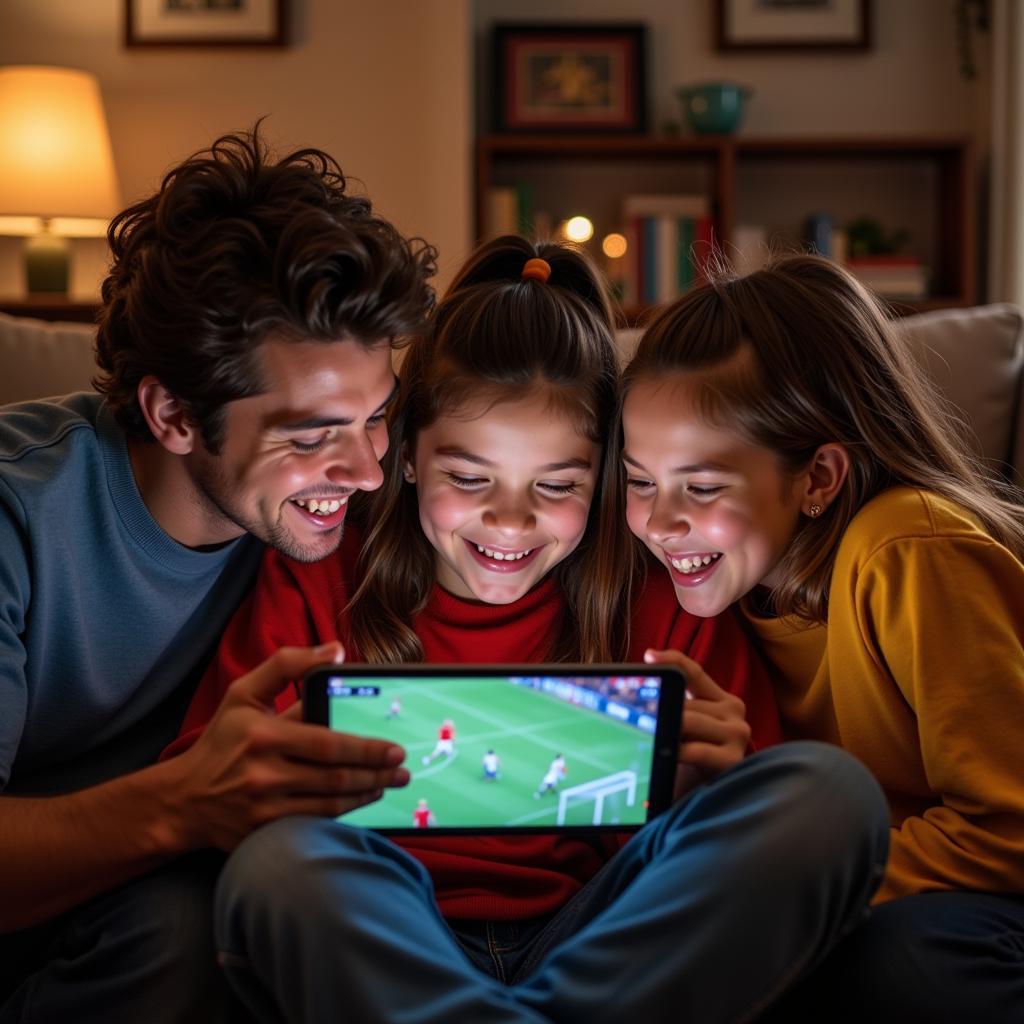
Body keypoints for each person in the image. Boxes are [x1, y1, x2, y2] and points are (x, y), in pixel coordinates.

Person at [169, 236, 889, 1023]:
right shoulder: (319, 571)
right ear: (406, 456)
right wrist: (282, 780)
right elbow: (203, 784)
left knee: (830, 794)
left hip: (598, 933)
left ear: (604, 478)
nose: (510, 519)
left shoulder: (666, 595)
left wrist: (693, 791)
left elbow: (740, 824)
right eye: (469, 477)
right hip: (389, 934)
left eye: (556, 485)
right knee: (278, 867)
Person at [0, 125, 434, 1022]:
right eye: (312, 435)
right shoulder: (19, 517)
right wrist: (185, 806)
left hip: (139, 912)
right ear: (173, 414)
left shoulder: (332, 513)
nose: (364, 471)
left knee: (191, 923)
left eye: (379, 417)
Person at [611, 253, 1024, 1023]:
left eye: (701, 487)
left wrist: (791, 879)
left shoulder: (907, 550)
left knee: (903, 961)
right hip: (867, 886)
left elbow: (1012, 826)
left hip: (976, 906)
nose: (659, 523)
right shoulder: (725, 585)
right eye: (640, 481)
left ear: (819, 478)